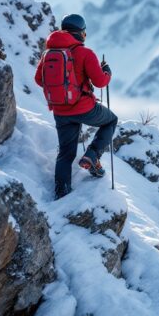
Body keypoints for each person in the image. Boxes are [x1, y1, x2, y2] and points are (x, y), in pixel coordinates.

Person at [34, 14, 117, 199]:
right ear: (81, 33)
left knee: (65, 153)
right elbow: (101, 81)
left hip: (60, 110)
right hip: (84, 108)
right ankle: (92, 155)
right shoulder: (85, 53)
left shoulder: (48, 53)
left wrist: (62, 91)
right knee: (111, 121)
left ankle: (61, 193)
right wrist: (107, 72)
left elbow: (39, 79)